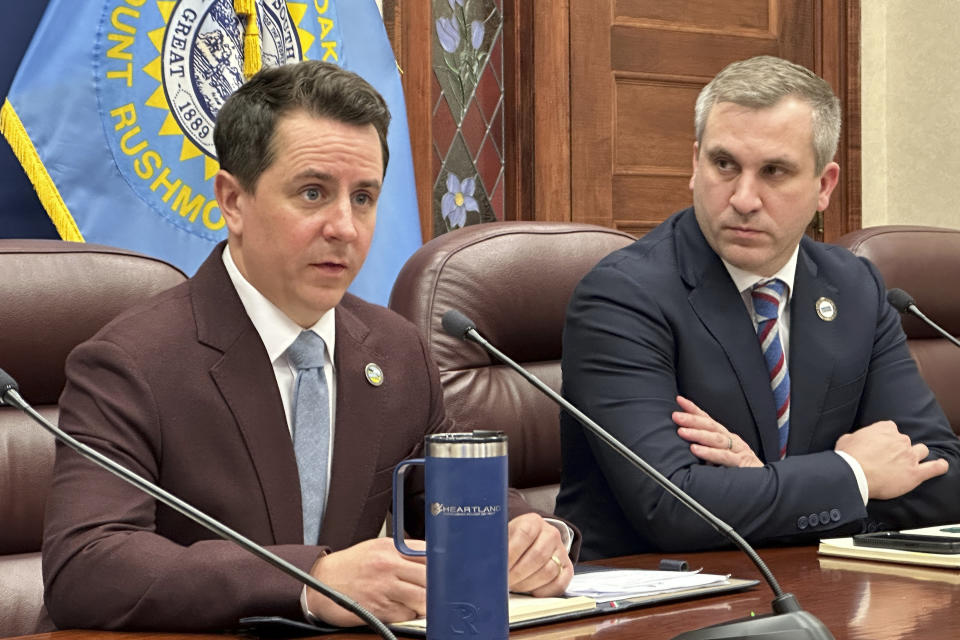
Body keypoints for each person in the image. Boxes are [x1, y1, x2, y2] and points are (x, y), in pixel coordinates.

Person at [42, 60, 574, 631]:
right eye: (313, 192)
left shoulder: (397, 350)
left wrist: (522, 535)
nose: (344, 226)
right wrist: (309, 581)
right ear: (232, 202)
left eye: (364, 197)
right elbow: (86, 565)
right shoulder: (131, 362)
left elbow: (444, 503)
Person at [555, 55, 960, 560]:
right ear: (694, 163)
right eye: (724, 165)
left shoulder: (853, 287)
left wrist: (766, 484)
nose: (744, 198)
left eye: (774, 171)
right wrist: (850, 474)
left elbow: (943, 480)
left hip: (816, 589)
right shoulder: (622, 297)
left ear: (824, 186)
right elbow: (673, 509)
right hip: (657, 604)